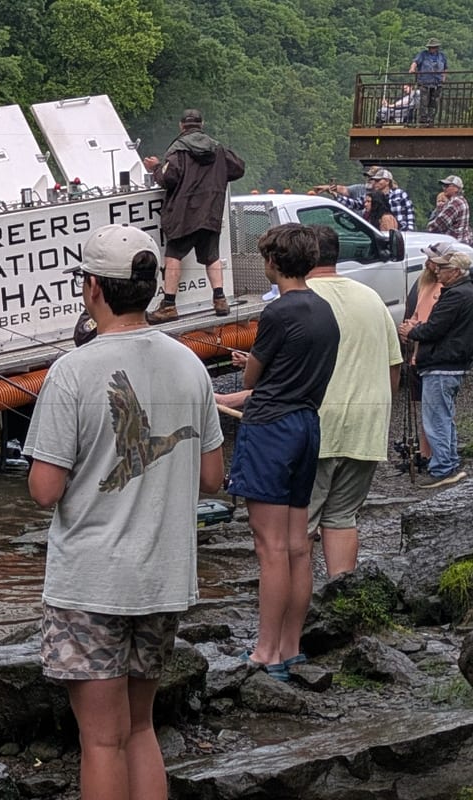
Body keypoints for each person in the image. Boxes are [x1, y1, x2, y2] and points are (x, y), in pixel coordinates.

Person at [25, 224, 224, 800]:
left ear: (92, 288)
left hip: (92, 582)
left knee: (101, 741)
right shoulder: (189, 363)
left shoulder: (72, 370)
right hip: (163, 580)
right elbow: (212, 477)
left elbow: (44, 490)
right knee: (141, 729)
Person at [215, 223, 339, 680]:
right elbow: (287, 378)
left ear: (272, 262)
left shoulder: (279, 313)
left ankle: (265, 651)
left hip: (269, 431)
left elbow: (254, 382)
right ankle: (290, 647)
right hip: (307, 425)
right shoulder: (324, 310)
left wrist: (241, 379)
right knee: (297, 547)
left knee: (269, 549)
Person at [304, 226, 402, 577]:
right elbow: (394, 368)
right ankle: (340, 600)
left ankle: (293, 614)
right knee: (342, 516)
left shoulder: (298, 299)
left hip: (315, 426)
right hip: (367, 427)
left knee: (302, 522)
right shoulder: (371, 297)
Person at [142, 108, 246, 323]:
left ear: (182, 126)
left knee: (173, 256)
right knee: (212, 256)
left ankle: (169, 305)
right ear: (202, 124)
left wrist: (155, 168)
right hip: (211, 211)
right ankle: (220, 300)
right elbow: (238, 169)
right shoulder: (217, 147)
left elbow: (168, 178)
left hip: (184, 214)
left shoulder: (178, 149)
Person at [398, 249, 473, 487]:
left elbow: (434, 329)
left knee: (436, 418)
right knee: (444, 416)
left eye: (442, 268)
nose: (437, 271)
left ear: (456, 271)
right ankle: (448, 461)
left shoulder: (455, 295)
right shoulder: (464, 292)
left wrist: (411, 331)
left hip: (441, 364)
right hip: (452, 363)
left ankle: (443, 468)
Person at [329, 168, 415, 231]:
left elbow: (410, 213)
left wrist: (409, 232)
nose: (375, 183)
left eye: (378, 180)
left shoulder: (400, 194)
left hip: (402, 233)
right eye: (374, 180)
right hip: (379, 230)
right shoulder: (371, 195)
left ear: (387, 181)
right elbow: (355, 204)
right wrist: (337, 196)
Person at [410, 37, 448, 125]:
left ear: (437, 48)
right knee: (424, 101)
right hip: (425, 82)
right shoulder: (423, 54)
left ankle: (431, 119)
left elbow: (445, 68)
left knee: (434, 102)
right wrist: (412, 69)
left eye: (434, 47)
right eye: (430, 47)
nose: (432, 49)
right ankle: (423, 119)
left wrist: (443, 78)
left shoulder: (441, 56)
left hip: (437, 83)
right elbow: (415, 62)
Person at [427, 175, 473, 244]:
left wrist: (429, 226)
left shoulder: (455, 204)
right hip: (463, 243)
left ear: (456, 188)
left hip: (454, 245)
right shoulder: (462, 200)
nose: (444, 188)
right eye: (443, 186)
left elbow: (437, 226)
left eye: (447, 186)